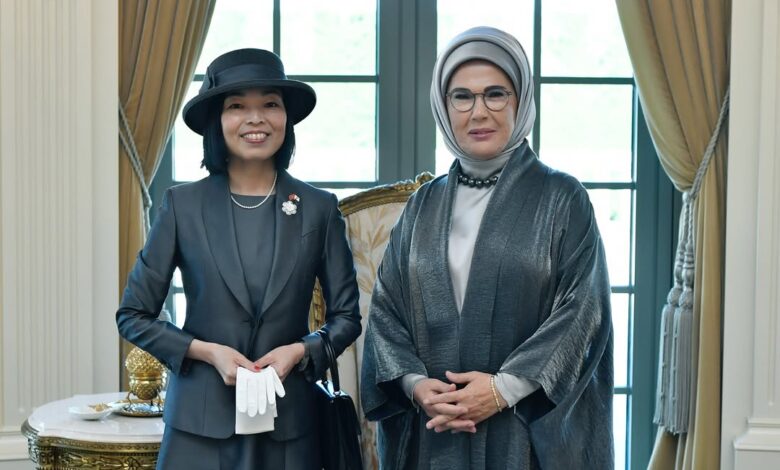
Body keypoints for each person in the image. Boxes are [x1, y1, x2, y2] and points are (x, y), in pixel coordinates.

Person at [361, 27, 613, 469]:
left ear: (521, 101)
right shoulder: (422, 205)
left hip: (522, 433)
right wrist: (415, 385)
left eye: (495, 94)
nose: (479, 112)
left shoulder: (563, 199)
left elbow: (582, 314)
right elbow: (386, 310)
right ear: (444, 107)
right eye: (462, 97)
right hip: (434, 429)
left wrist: (502, 390)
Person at [116, 48, 361, 469]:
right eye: (237, 106)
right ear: (217, 119)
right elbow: (133, 315)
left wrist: (299, 351)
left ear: (286, 117)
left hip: (291, 425)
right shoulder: (182, 206)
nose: (256, 118)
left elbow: (347, 317)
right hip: (198, 426)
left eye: (270, 104)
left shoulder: (319, 208)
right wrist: (206, 351)